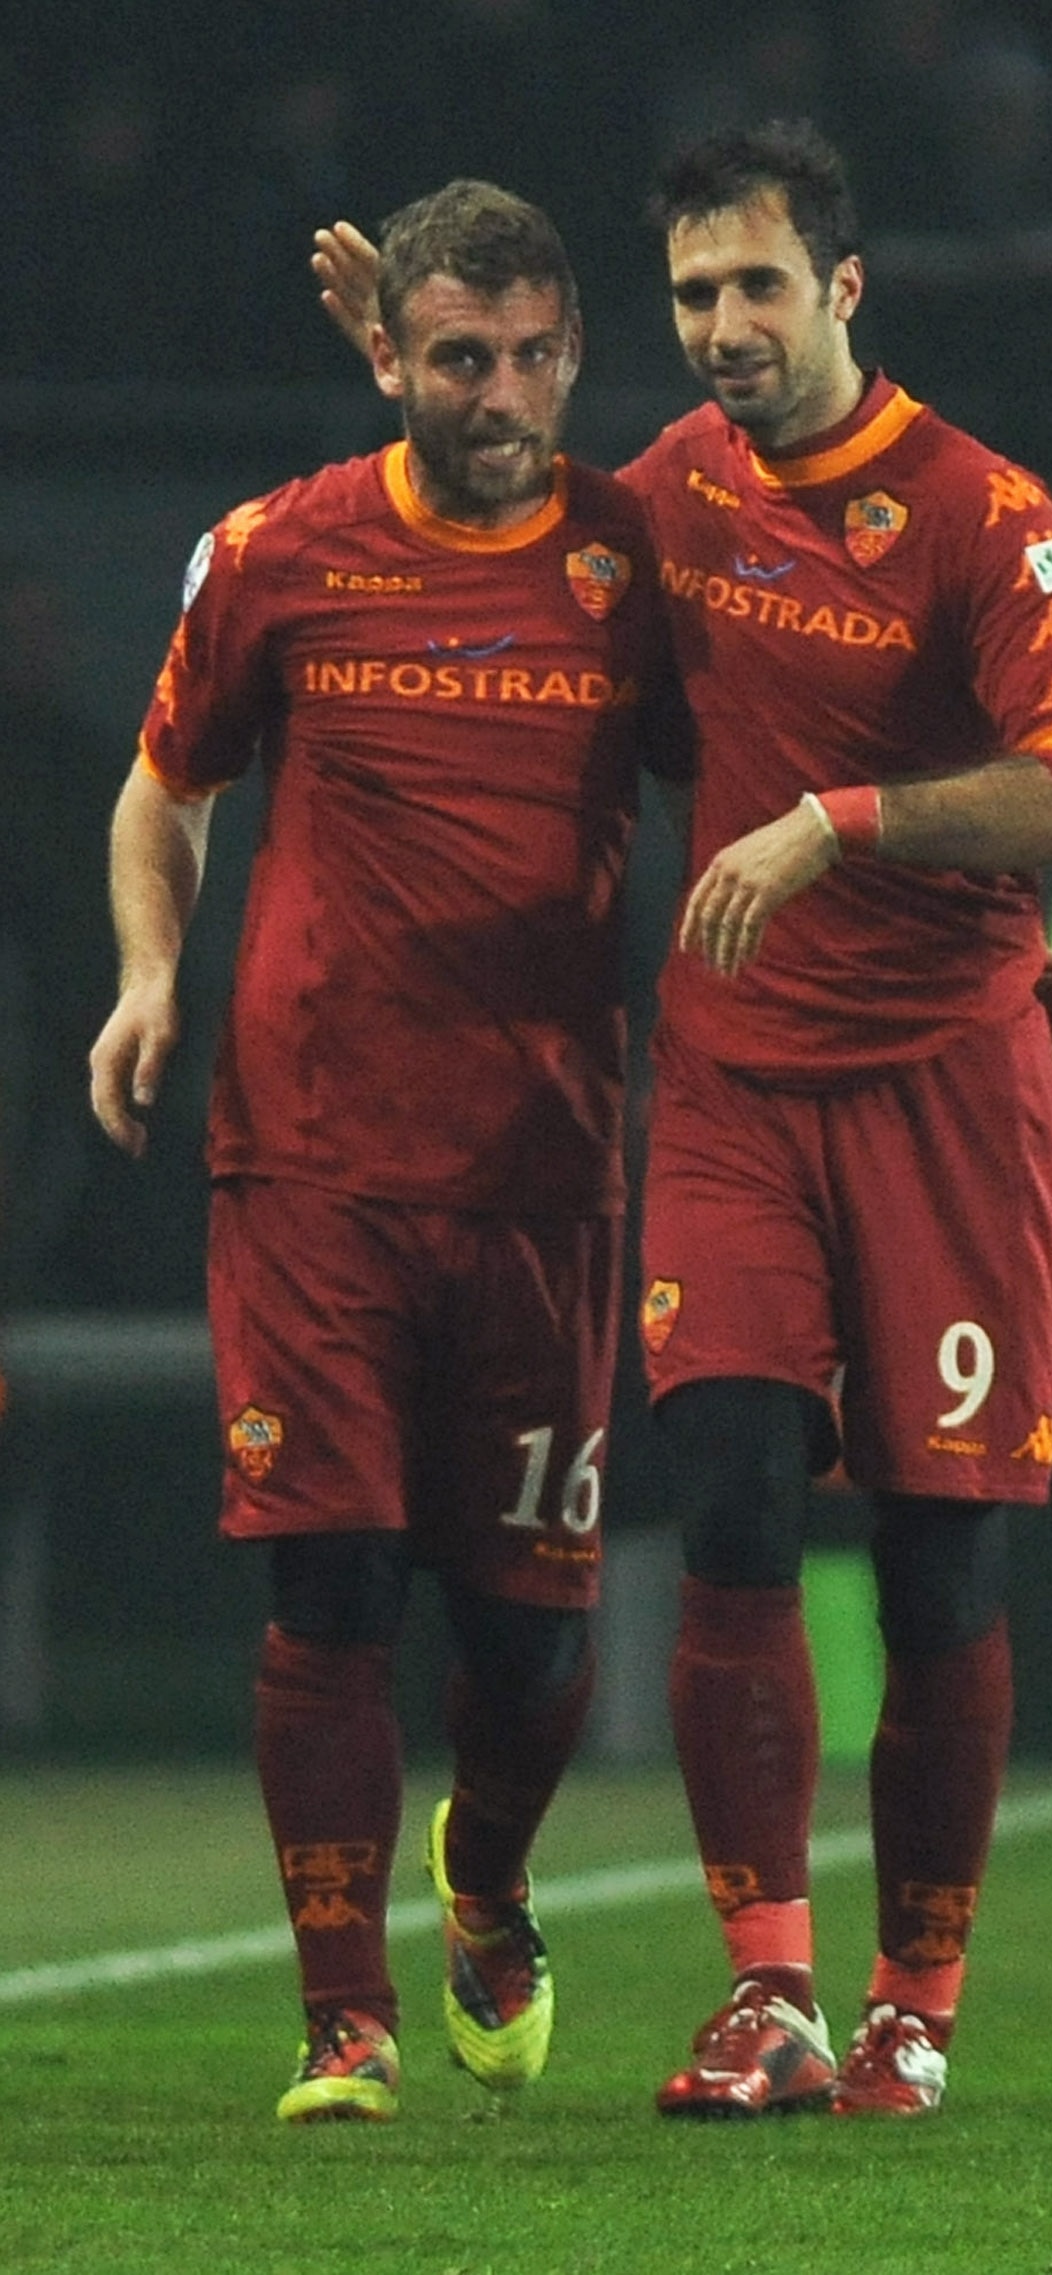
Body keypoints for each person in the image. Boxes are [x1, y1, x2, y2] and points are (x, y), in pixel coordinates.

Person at [313, 118, 1052, 2119]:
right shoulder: (671, 489)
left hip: (947, 1083)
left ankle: (916, 1997)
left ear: (846, 289)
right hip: (744, 1082)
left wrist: (841, 823)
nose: (729, 325)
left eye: (762, 285)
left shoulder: (979, 509)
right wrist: (399, 397)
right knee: (737, 1500)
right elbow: (498, 511)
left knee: (940, 1565)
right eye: (694, 296)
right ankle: (769, 1985)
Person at [93, 180, 686, 2122]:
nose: (498, 393)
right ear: (389, 360)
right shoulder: (276, 551)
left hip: (543, 1170)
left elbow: (764, 765)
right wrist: (150, 974)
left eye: (529, 357)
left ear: (577, 355)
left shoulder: (635, 563)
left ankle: (491, 1883)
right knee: (329, 1582)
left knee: (527, 1632)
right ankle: (340, 2016)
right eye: (458, 358)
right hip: (313, 1164)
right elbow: (164, 786)